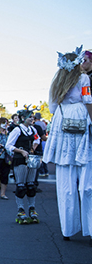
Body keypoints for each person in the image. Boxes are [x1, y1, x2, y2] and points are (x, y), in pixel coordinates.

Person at [43, 46, 92, 241]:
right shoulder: (84, 79)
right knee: (87, 184)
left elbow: (52, 107)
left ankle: (68, 230)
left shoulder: (56, 82)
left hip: (62, 125)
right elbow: (88, 100)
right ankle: (90, 229)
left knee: (65, 185)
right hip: (81, 124)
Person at [7, 109, 41, 224]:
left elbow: (37, 138)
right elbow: (8, 145)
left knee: (31, 185)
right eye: (29, 117)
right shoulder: (17, 130)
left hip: (31, 159)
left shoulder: (32, 129)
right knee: (21, 186)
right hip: (20, 159)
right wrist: (21, 151)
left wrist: (33, 147)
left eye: (32, 117)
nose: (32, 119)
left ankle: (32, 208)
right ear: (23, 118)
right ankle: (21, 209)